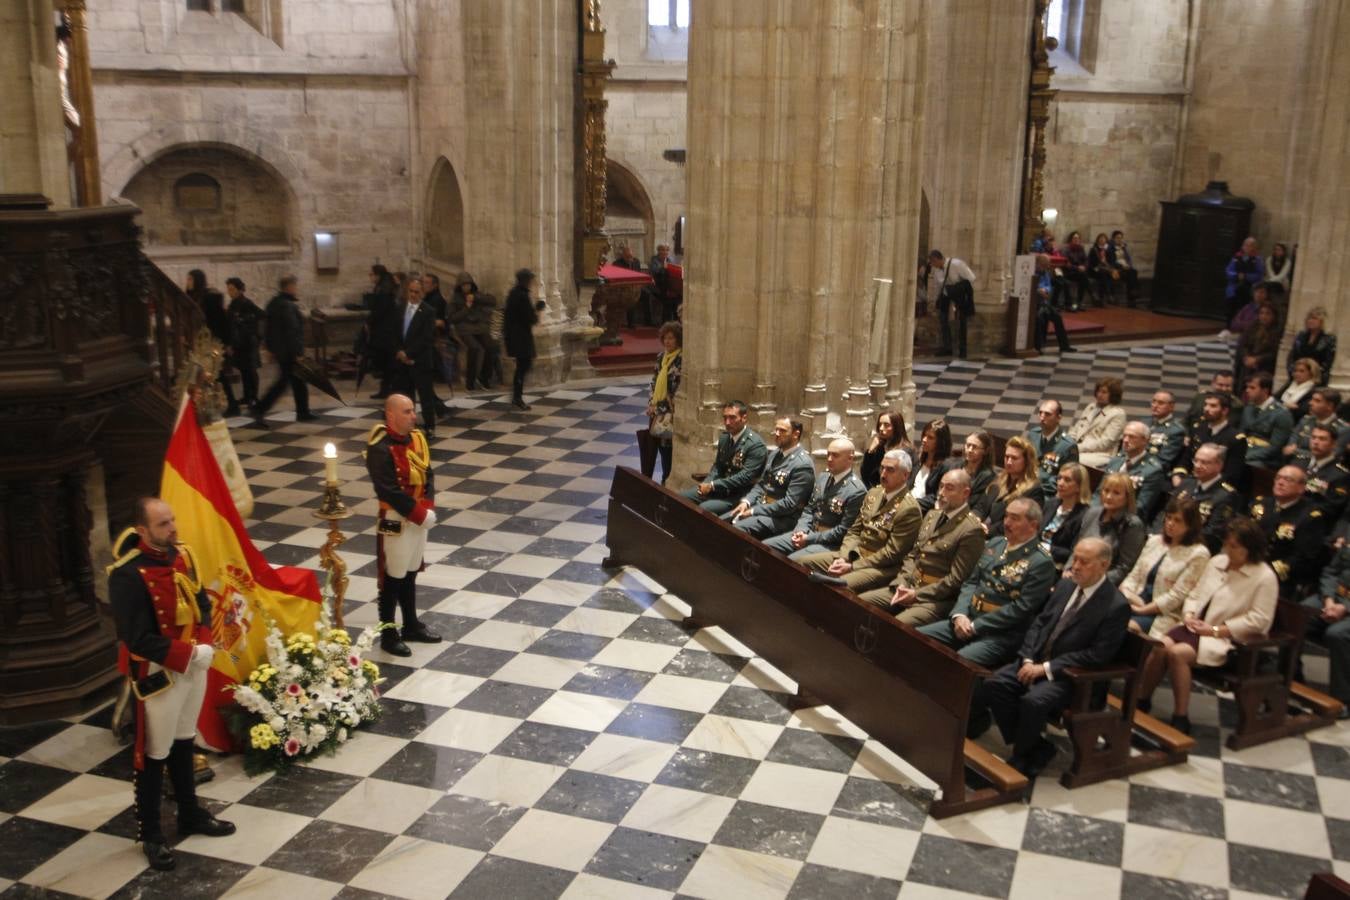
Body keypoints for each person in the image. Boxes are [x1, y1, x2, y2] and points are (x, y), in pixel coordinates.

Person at [108, 498, 236, 870]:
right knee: (154, 754)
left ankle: (190, 814)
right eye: (163, 524)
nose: (172, 528)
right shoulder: (127, 575)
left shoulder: (183, 556)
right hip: (158, 673)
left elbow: (201, 603)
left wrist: (205, 642)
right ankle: (151, 834)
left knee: (184, 742)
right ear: (142, 531)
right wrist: (187, 654)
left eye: (172, 520)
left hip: (192, 664)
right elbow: (136, 637)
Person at [969, 537, 1130, 777]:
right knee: (995, 684)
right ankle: (1037, 747)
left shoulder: (1115, 606)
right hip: (1034, 662)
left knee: (1034, 701)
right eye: (1074, 558)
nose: (1075, 566)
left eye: (1084, 562)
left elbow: (1097, 655)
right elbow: (1040, 623)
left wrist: (1045, 669)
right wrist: (1026, 659)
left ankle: (1022, 755)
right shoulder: (1066, 586)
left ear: (1104, 565)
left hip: (1072, 678)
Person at [1137, 518, 1278, 734]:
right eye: (1227, 544)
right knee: (1158, 646)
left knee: (1177, 654)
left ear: (1250, 549)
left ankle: (1181, 716)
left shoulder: (1264, 576)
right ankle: (1141, 701)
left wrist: (1214, 630)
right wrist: (1189, 614)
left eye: (1235, 547)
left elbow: (1259, 620)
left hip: (1228, 638)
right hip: (1197, 627)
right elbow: (1195, 593)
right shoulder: (1217, 562)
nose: (1228, 551)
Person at [919, 497, 1056, 666]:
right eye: (1006, 516)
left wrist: (976, 626)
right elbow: (971, 582)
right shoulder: (996, 543)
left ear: (1033, 525)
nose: (1006, 522)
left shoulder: (1041, 561)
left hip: (1000, 635)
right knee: (916, 638)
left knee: (957, 664)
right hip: (966, 620)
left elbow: (1021, 608)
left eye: (1015, 518)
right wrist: (960, 615)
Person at [365, 394, 443, 657]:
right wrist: (417, 513)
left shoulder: (417, 439)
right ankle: (388, 633)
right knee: (392, 576)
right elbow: (386, 489)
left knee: (410, 572)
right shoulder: (379, 448)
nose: (413, 416)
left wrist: (427, 507)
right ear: (391, 416)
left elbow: (428, 474)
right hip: (396, 519)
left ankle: (411, 624)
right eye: (407, 412)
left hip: (419, 516)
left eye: (413, 411)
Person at [857, 468, 986, 625]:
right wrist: (902, 582)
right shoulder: (932, 515)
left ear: (965, 493)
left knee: (898, 625)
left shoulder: (971, 529)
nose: (942, 492)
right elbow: (913, 555)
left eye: (949, 488)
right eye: (941, 486)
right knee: (861, 603)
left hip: (935, 600)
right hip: (908, 585)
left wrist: (916, 595)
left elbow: (955, 580)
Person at [797, 450, 921, 593]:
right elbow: (854, 531)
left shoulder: (909, 509)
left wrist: (852, 566)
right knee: (801, 563)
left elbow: (891, 554)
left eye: (890, 470)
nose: (883, 474)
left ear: (905, 475)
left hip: (879, 567)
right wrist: (844, 558)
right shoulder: (874, 493)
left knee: (839, 585)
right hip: (854, 555)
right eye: (882, 467)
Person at [1122, 496, 1210, 635]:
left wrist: (1141, 610)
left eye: (1177, 520)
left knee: (1126, 627)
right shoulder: (1155, 541)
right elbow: (1134, 575)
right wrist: (1126, 593)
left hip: (1160, 613)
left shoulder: (1198, 554)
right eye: (1168, 518)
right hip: (1135, 600)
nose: (1170, 523)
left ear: (1190, 525)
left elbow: (1176, 596)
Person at [766, 438, 866, 557]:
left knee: (793, 560)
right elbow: (809, 510)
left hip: (830, 544)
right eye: (828, 454)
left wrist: (809, 538)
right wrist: (801, 530)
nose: (829, 459)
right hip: (808, 533)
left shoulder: (856, 490)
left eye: (835, 455)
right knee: (766, 547)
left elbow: (843, 531)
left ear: (850, 458)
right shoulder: (823, 478)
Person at [723, 418, 816, 539]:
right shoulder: (775, 454)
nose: (777, 434)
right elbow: (762, 484)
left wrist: (754, 511)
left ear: (795, 434)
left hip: (782, 518)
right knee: (721, 522)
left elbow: (789, 504)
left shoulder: (802, 465)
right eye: (776, 429)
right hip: (762, 507)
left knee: (737, 529)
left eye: (782, 430)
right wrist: (747, 502)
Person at [1250, 466, 1327, 599]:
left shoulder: (1310, 517)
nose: (1280, 482)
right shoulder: (1261, 503)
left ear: (1301, 487)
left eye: (1288, 480)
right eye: (1278, 478)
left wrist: (1266, 571)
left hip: (1279, 578)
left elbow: (1302, 558)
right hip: (1248, 563)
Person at [680, 401, 768, 515]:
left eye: (732, 418)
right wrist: (706, 483)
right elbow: (718, 467)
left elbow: (744, 478)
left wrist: (712, 486)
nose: (727, 422)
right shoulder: (725, 438)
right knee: (681, 498)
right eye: (725, 418)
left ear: (744, 418)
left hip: (739, 494)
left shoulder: (755, 445)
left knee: (704, 508)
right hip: (719, 489)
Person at [252, 275, 313, 427]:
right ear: (289, 287)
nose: (295, 288)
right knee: (282, 383)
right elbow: (293, 331)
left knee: (298, 380)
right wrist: (298, 353)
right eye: (294, 286)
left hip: (281, 350)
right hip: (289, 352)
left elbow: (268, 328)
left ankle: (303, 411)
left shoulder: (274, 303)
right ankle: (259, 409)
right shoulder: (287, 306)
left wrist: (269, 348)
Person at [1304, 544, 1350, 718]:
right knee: (1300, 615)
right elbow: (1331, 571)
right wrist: (1329, 600)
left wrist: (1345, 608)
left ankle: (1344, 699)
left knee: (1338, 634)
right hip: (1335, 598)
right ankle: (1291, 678)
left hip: (1346, 607)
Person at [1171, 443, 1241, 553]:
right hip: (1169, 539)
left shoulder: (1226, 495)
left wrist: (1178, 536)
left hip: (1195, 549)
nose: (1197, 465)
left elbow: (1213, 533)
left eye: (1204, 462)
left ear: (1219, 465)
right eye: (1196, 460)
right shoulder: (1187, 483)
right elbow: (1165, 513)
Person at [390, 277, 439, 436]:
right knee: (406, 395)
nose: (413, 294)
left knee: (425, 395)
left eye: (416, 292)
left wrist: (409, 353)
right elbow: (395, 332)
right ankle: (407, 425)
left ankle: (430, 426)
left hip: (420, 360)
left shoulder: (428, 311)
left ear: (422, 293)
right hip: (402, 360)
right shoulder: (400, 308)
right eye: (410, 291)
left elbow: (427, 338)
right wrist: (399, 351)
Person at [1080, 471, 1147, 585]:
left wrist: (1094, 581)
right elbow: (1076, 548)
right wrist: (1069, 569)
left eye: (1116, 493)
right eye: (1106, 491)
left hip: (1102, 582)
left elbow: (1123, 568)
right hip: (1078, 574)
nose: (1109, 496)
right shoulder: (1092, 513)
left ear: (1127, 497)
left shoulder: (1132, 525)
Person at [186, 269, 236, 411]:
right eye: (188, 279)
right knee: (205, 374)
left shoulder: (209, 298)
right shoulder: (190, 297)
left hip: (212, 341)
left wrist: (227, 343)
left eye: (190, 279)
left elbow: (221, 321)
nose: (188, 282)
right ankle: (205, 404)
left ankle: (231, 404)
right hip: (198, 342)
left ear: (197, 280)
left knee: (217, 374)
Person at [1101, 421, 1167, 523]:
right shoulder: (1116, 461)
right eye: (1124, 436)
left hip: (1126, 521)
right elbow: (1098, 492)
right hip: (1101, 513)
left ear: (1145, 441)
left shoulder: (1153, 471)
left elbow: (1141, 506)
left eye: (1132, 437)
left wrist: (1109, 512)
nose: (1126, 440)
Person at [642, 322, 682, 483]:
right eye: (665, 338)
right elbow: (654, 381)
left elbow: (677, 389)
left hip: (669, 411)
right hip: (656, 410)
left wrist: (658, 407)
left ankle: (667, 479)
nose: (667, 341)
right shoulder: (661, 357)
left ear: (678, 340)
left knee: (668, 449)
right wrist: (651, 403)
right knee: (655, 445)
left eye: (671, 338)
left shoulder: (681, 359)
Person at [1178, 391, 1246, 487]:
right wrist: (1178, 476)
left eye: (1213, 406)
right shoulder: (1198, 429)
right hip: (1190, 481)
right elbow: (1186, 458)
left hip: (1213, 488)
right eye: (1205, 405)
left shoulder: (1235, 438)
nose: (1206, 409)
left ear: (1225, 411)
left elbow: (1231, 474)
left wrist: (1199, 484)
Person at [503, 268, 547, 411]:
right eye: (530, 280)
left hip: (513, 336)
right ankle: (517, 397)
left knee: (522, 367)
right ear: (525, 281)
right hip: (521, 337)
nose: (532, 283)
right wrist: (538, 309)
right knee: (523, 366)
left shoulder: (513, 293)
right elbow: (530, 318)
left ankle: (517, 396)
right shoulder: (522, 296)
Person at [449, 271, 499, 391]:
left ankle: (484, 378)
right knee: (474, 348)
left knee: (491, 347)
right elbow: (452, 318)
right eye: (464, 285)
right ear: (459, 286)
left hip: (479, 327)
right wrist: (467, 307)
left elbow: (492, 300)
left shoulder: (476, 294)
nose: (467, 287)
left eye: (468, 285)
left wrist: (476, 297)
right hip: (464, 329)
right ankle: (470, 381)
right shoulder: (455, 299)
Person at [986, 436, 1043, 537]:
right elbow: (983, 504)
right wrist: (976, 518)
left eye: (1014, 458)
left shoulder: (1033, 490)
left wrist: (986, 531)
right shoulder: (1000, 478)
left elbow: (1016, 522)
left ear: (1026, 462)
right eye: (1006, 457)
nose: (1008, 462)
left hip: (1006, 537)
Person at [925, 249, 976, 359]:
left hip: (959, 294)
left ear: (937, 259)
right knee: (943, 319)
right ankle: (947, 347)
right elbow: (938, 287)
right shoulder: (936, 270)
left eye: (932, 262)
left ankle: (963, 349)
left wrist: (957, 288)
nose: (932, 265)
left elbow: (971, 278)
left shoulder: (956, 264)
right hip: (946, 294)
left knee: (962, 321)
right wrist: (934, 301)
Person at [1292, 423, 1350, 521]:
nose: (1316, 442)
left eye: (1322, 439)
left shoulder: (1340, 475)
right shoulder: (1298, 462)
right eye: (1313, 437)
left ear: (1334, 444)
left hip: (1311, 520)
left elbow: (1331, 508)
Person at [1040, 463, 1091, 571]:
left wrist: (1048, 548)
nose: (1060, 483)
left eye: (1067, 480)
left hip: (1056, 564)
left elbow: (1074, 553)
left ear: (1079, 486)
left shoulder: (1085, 515)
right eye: (1059, 478)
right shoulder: (1051, 503)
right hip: (1036, 555)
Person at [1239, 371, 1295, 469]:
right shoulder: (1249, 408)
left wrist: (1247, 456)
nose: (1247, 390)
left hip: (1266, 458)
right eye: (1247, 387)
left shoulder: (1281, 414)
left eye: (1252, 388)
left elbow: (1275, 447)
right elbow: (1241, 433)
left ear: (1265, 390)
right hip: (1246, 450)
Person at [1067, 376, 1126, 468]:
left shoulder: (1118, 414)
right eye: (1098, 391)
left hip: (1101, 454)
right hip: (1078, 448)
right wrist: (1067, 442)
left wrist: (1077, 448)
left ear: (1113, 395)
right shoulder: (1091, 407)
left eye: (1104, 392)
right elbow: (1076, 429)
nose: (1099, 395)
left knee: (1070, 460)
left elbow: (1105, 443)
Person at [224, 277, 262, 416]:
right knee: (244, 370)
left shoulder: (246, 303)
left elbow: (260, 315)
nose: (229, 292)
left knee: (251, 370)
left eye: (232, 289)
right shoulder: (233, 304)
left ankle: (254, 398)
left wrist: (242, 320)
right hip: (239, 343)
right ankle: (247, 396)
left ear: (240, 289)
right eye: (228, 289)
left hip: (248, 342)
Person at [1029, 400, 1078, 497]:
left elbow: (1067, 478)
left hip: (1048, 494)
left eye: (1047, 414)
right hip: (1027, 485)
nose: (1042, 417)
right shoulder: (1033, 435)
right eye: (1040, 413)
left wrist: (1035, 486)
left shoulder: (1068, 446)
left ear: (1058, 418)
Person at [364, 265, 400, 400]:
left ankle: (389, 389)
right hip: (385, 330)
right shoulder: (384, 286)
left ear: (378, 275)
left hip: (385, 331)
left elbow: (380, 311)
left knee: (387, 361)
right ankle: (386, 389)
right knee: (386, 362)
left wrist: (369, 321)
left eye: (371, 274)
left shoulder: (384, 290)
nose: (370, 277)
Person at [1286, 387, 1349, 459]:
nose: (1310, 403)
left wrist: (1296, 451)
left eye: (1317, 401)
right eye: (1312, 399)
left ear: (1330, 406)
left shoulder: (1342, 429)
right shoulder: (1306, 420)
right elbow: (1290, 444)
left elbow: (1330, 456)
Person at [1033, 255, 1075, 354]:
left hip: (1044, 302)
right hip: (1034, 304)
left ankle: (1064, 346)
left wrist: (1046, 291)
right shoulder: (1032, 272)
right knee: (1039, 319)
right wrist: (1039, 290)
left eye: (1047, 265)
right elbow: (1030, 285)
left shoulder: (1045, 273)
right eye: (1044, 265)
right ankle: (1038, 347)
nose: (1047, 267)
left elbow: (1048, 285)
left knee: (1057, 317)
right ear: (1038, 263)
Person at [860, 409, 912, 488]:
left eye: (886, 425)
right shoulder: (879, 448)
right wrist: (870, 451)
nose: (881, 428)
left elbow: (908, 480)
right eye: (880, 424)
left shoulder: (906, 451)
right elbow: (865, 475)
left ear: (896, 427)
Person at [909, 418, 952, 512]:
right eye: (924, 435)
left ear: (941, 442)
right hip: (908, 502)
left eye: (930, 437)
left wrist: (911, 505)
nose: (924, 440)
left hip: (922, 510)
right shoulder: (919, 458)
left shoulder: (946, 467)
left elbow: (937, 497)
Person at [1234, 303, 1280, 388]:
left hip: (1264, 367)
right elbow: (1243, 344)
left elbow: (1274, 352)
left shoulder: (1277, 332)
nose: (1264, 316)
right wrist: (1247, 357)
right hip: (1248, 364)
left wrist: (1257, 359)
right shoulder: (1252, 327)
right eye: (1261, 313)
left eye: (1267, 313)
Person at [1288, 307, 1336, 386]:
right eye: (1309, 318)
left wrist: (1312, 373)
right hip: (1297, 375)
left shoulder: (1329, 339)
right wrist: (1294, 371)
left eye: (1314, 319)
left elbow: (1328, 362)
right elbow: (1292, 356)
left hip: (1316, 378)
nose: (1311, 321)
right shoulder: (1301, 337)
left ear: (1321, 322)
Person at [959, 431, 999, 519]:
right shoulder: (954, 466)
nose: (969, 450)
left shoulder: (990, 478)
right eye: (968, 445)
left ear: (986, 451)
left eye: (975, 447)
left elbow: (981, 509)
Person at [1225, 236, 1265, 325]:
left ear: (1254, 247)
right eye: (1246, 245)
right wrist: (1236, 276)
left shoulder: (1257, 259)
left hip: (1250, 286)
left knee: (1246, 300)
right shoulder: (1236, 257)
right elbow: (1228, 271)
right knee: (1232, 300)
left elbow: (1259, 274)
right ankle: (1228, 326)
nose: (1247, 247)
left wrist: (1246, 276)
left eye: (1250, 245)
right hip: (1235, 285)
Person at [1147, 390, 1186, 472]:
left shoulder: (1176, 430)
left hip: (1154, 471)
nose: (1155, 405)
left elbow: (1163, 461)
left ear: (1171, 407)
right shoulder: (1143, 422)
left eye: (1160, 403)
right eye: (1154, 401)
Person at [1107, 230, 1140, 306]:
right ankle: (1132, 298)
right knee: (1132, 274)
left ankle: (1132, 297)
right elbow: (1111, 261)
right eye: (1117, 238)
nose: (1119, 240)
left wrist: (1129, 265)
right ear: (1113, 239)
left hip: (1125, 269)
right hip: (1117, 269)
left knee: (1133, 272)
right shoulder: (1110, 248)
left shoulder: (1123, 247)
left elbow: (1128, 259)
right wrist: (1122, 266)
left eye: (1121, 238)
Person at [1061, 230, 1091, 311]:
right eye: (1074, 238)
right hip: (1069, 272)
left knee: (1083, 277)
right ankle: (1079, 302)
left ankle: (1079, 302)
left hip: (1079, 273)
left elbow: (1086, 260)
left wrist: (1084, 266)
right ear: (1071, 239)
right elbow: (1066, 263)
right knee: (1084, 277)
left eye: (1078, 238)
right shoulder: (1066, 249)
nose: (1076, 240)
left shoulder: (1081, 248)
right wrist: (1077, 268)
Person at [650, 244, 679, 324]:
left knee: (677, 298)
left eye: (666, 250)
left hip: (669, 287)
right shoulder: (654, 260)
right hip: (657, 287)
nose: (665, 252)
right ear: (658, 251)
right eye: (662, 250)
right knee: (668, 300)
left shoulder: (670, 260)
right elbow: (655, 272)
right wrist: (664, 268)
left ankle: (676, 322)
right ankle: (666, 322)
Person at [1087, 232, 1115, 306]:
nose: (1102, 240)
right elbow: (1090, 262)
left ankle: (1102, 299)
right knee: (1103, 274)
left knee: (1105, 275)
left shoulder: (1109, 250)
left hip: (1105, 270)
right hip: (1095, 270)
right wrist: (1098, 264)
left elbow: (1112, 262)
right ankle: (1107, 295)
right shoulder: (1094, 249)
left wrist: (1105, 262)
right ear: (1097, 240)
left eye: (1104, 239)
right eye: (1100, 239)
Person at [1264, 241, 1292, 305]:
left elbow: (1282, 275)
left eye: (1279, 250)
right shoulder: (1269, 259)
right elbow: (1270, 272)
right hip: (1270, 281)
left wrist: (1273, 280)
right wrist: (1272, 280)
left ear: (1284, 251)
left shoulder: (1287, 262)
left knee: (1273, 285)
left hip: (1282, 283)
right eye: (1276, 249)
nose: (1277, 252)